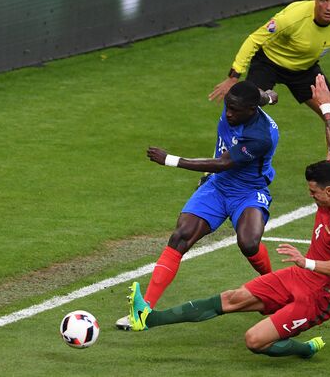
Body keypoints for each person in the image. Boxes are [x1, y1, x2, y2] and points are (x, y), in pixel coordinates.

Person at [125, 74, 330, 360]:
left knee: (254, 339)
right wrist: (326, 108)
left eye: (314, 193)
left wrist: (308, 262)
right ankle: (147, 317)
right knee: (233, 298)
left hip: (319, 296)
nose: (311, 196)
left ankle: (303, 349)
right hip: (296, 275)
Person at [116, 81, 280, 330]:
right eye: (227, 107)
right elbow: (266, 96)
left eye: (235, 110)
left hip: (248, 191)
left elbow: (223, 162)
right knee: (181, 236)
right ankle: (142, 310)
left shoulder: (261, 137)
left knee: (248, 242)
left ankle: (274, 289)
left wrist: (171, 160)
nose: (228, 114)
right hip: (218, 187)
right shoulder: (248, 101)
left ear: (250, 110)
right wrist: (269, 95)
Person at [209, 0, 330, 149]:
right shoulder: (292, 17)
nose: (328, 7)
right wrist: (233, 77)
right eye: (323, 0)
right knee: (240, 109)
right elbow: (255, 39)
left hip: (304, 69)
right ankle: (215, 168)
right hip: (269, 63)